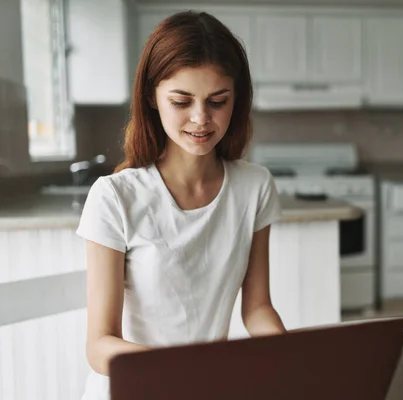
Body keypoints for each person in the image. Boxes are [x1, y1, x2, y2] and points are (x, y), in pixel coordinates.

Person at [76, 10, 286, 400]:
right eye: (181, 100)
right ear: (152, 98)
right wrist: (181, 374)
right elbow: (100, 344)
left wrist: (290, 358)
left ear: (236, 100)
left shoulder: (254, 187)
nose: (201, 118)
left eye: (217, 101)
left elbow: (256, 309)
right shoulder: (115, 197)